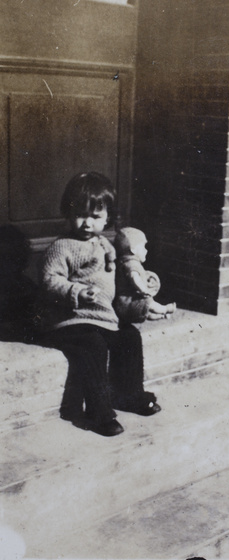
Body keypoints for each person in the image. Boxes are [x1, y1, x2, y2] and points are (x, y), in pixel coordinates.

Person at [37, 172, 160, 437]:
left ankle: (129, 394)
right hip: (69, 321)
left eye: (95, 217)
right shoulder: (61, 247)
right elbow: (49, 281)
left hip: (101, 317)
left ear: (108, 219)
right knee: (93, 345)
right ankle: (98, 412)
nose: (86, 223)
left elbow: (120, 280)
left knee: (129, 338)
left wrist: (142, 292)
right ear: (67, 213)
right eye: (80, 214)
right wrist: (76, 291)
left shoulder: (106, 245)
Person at [114, 227, 176, 323]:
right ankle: (164, 309)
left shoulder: (124, 262)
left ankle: (160, 316)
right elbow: (134, 277)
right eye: (143, 247)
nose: (146, 250)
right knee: (149, 303)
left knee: (146, 312)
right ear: (133, 249)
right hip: (127, 301)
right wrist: (143, 290)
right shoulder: (131, 263)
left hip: (125, 301)